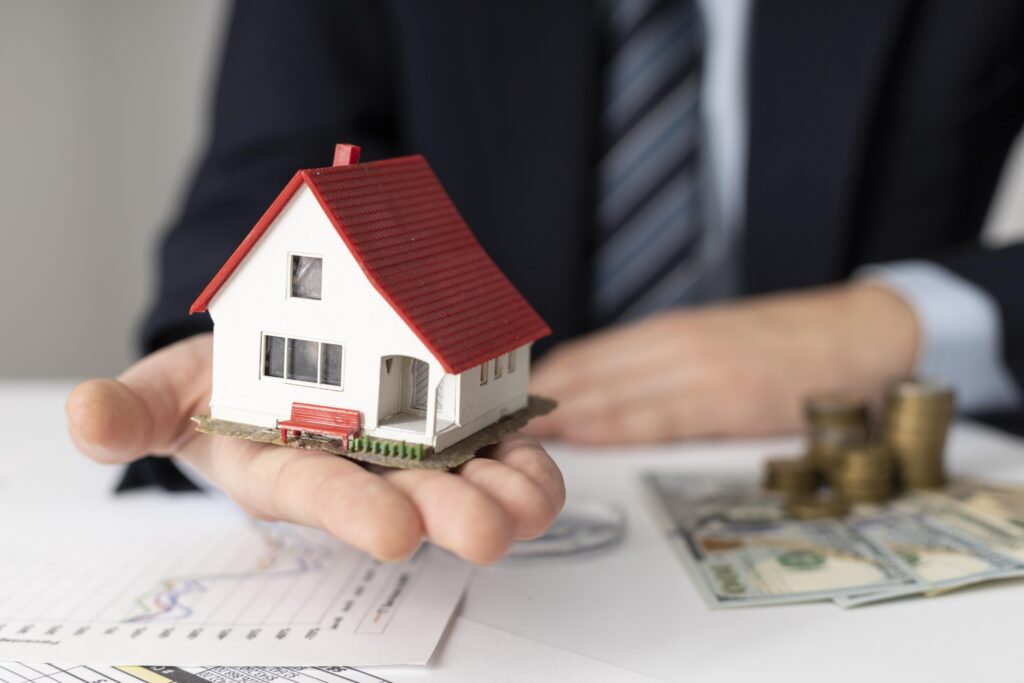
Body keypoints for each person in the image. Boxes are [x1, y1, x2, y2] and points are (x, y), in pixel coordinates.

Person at [67, 0, 1024, 563]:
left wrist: (898, 320)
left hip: (835, 473)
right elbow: (272, 178)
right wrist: (241, 366)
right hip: (496, 537)